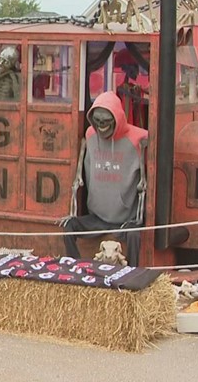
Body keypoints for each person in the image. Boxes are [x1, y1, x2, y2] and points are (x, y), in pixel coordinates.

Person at [60, 91, 148, 266]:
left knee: (134, 235)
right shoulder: (90, 135)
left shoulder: (139, 138)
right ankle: (77, 268)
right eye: (97, 121)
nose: (101, 126)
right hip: (97, 217)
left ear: (117, 117)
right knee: (67, 226)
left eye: (106, 121)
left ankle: (131, 273)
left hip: (125, 220)